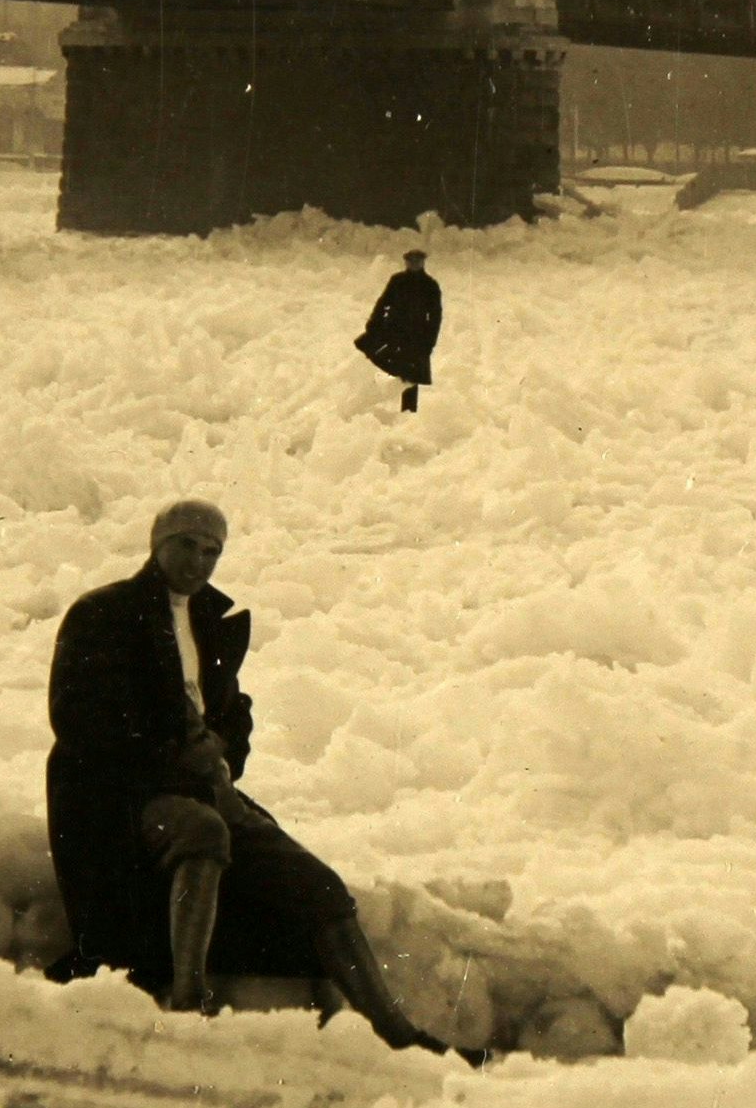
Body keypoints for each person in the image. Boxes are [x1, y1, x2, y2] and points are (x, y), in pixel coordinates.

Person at [44, 501, 473, 1060]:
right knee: (202, 832)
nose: (200, 561)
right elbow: (75, 717)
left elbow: (233, 712)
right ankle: (187, 1000)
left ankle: (398, 1036)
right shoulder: (102, 613)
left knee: (320, 888)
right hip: (119, 794)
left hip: (203, 785)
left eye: (212, 551)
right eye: (187, 545)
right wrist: (172, 756)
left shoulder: (208, 620)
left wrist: (221, 750)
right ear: (157, 544)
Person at [354, 251, 441, 414]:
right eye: (411, 260)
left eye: (418, 260)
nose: (414, 263)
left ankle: (408, 413)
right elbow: (383, 302)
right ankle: (375, 389)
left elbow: (435, 317)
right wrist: (373, 322)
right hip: (393, 331)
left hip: (416, 336)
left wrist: (429, 342)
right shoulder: (397, 281)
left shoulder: (430, 285)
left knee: (411, 377)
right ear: (406, 262)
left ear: (423, 262)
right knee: (365, 350)